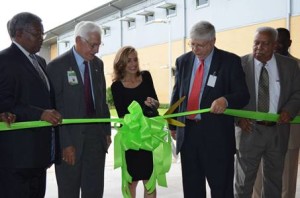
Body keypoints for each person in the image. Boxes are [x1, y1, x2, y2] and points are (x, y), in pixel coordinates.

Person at [169, 20, 250, 197]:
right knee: (192, 189)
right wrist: (172, 124)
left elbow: (243, 94)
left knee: (221, 189)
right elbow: (177, 94)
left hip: (217, 138)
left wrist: (226, 100)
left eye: (200, 45)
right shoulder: (183, 61)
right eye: (192, 44)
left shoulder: (230, 61)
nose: (195, 49)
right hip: (188, 135)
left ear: (213, 41)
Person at [0, 12, 62, 198]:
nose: (42, 39)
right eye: (37, 34)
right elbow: (4, 103)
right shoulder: (4, 60)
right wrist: (40, 114)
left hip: (39, 155)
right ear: (19, 34)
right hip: (16, 159)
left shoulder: (41, 62)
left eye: (43, 34)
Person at [47, 21, 111, 198]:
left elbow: (101, 102)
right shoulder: (57, 66)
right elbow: (54, 109)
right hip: (70, 140)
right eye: (93, 45)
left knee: (94, 191)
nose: (96, 49)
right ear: (78, 40)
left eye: (99, 44)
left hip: (96, 140)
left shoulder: (98, 65)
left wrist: (106, 132)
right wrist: (65, 144)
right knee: (69, 192)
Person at [234, 27, 300, 198]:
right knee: (243, 184)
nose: (258, 47)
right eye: (256, 43)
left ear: (274, 45)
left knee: (274, 184)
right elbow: (230, 94)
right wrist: (238, 117)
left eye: (265, 44)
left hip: (278, 131)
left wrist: (289, 110)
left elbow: (297, 92)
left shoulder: (289, 66)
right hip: (249, 131)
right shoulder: (239, 65)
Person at [111, 46, 159, 198]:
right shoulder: (116, 86)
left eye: (135, 59)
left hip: (148, 138)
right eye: (128, 61)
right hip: (131, 141)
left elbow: (156, 103)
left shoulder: (146, 76)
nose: (133, 64)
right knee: (130, 181)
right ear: (121, 64)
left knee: (150, 180)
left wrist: (154, 104)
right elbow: (123, 115)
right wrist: (142, 112)